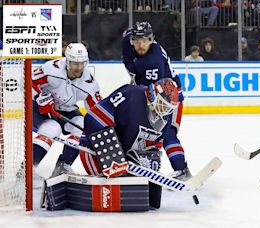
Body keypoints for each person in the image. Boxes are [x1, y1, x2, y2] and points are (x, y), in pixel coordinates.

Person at [80, 78, 180, 209]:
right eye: (163, 104)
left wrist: (149, 157)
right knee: (115, 188)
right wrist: (114, 154)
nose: (165, 110)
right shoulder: (130, 94)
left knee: (151, 198)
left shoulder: (165, 119)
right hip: (96, 148)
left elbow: (155, 146)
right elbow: (93, 118)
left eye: (168, 107)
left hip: (126, 158)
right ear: (153, 94)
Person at [121, 21, 191, 181]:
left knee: (167, 134)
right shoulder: (127, 42)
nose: (141, 44)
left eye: (145, 40)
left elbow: (148, 94)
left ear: (152, 40)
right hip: (150, 92)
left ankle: (181, 170)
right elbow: (127, 35)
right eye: (137, 40)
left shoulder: (153, 62)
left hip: (168, 98)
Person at [32, 43, 101, 175]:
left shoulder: (89, 83)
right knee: (52, 128)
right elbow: (29, 81)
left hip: (66, 109)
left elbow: (96, 109)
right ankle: (28, 167)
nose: (79, 68)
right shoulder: (51, 69)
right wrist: (39, 96)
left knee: (82, 125)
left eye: (82, 63)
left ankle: (63, 165)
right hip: (41, 109)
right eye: (75, 63)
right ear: (67, 60)